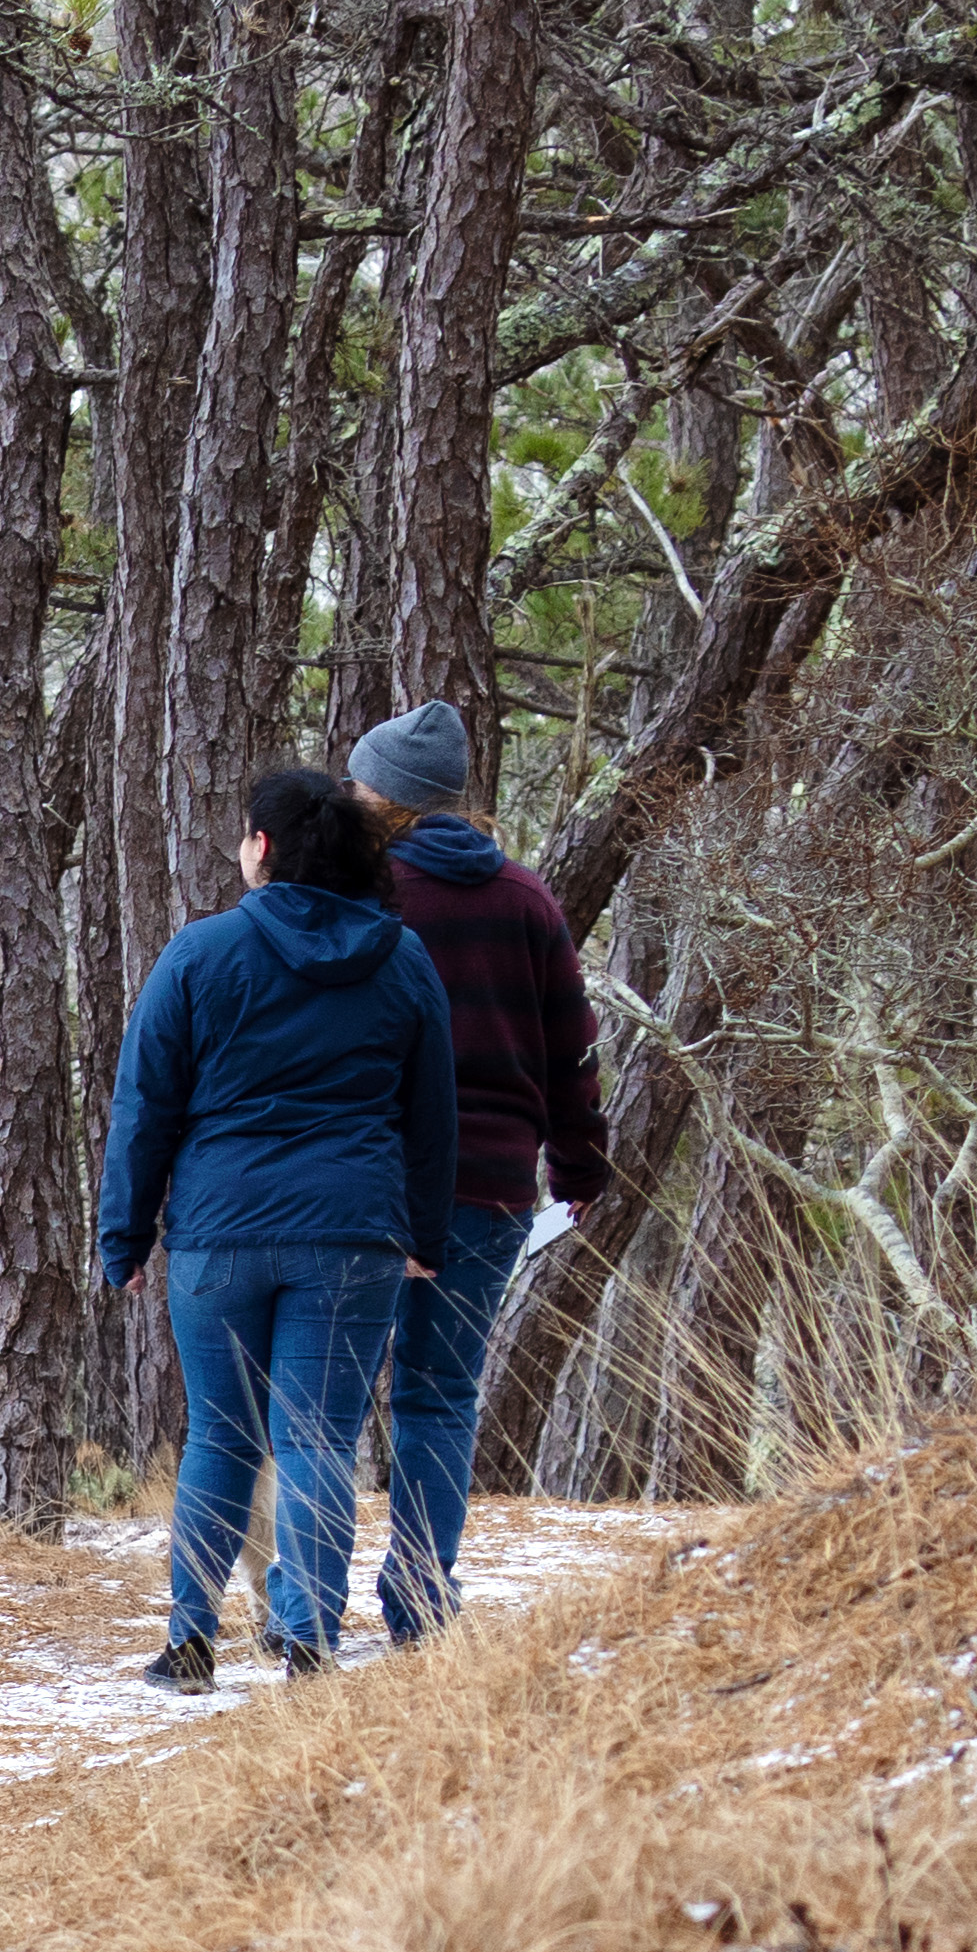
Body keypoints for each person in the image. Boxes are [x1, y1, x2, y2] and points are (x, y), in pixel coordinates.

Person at [93, 763, 457, 1692]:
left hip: (220, 1235)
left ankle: (189, 1644)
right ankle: (308, 1641)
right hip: (353, 1236)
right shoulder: (402, 958)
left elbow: (145, 1108)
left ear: (261, 846)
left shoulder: (200, 954)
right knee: (319, 1441)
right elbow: (431, 1116)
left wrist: (125, 1238)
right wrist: (422, 1232)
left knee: (221, 1435)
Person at [342, 702, 609, 1646]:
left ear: (383, 796)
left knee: (327, 1393)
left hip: (367, 1179)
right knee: (439, 1394)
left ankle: (302, 1600)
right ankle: (420, 1599)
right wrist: (579, 1164)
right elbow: (570, 1051)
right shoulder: (527, 900)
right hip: (492, 1185)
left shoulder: (361, 894)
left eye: (358, 782)